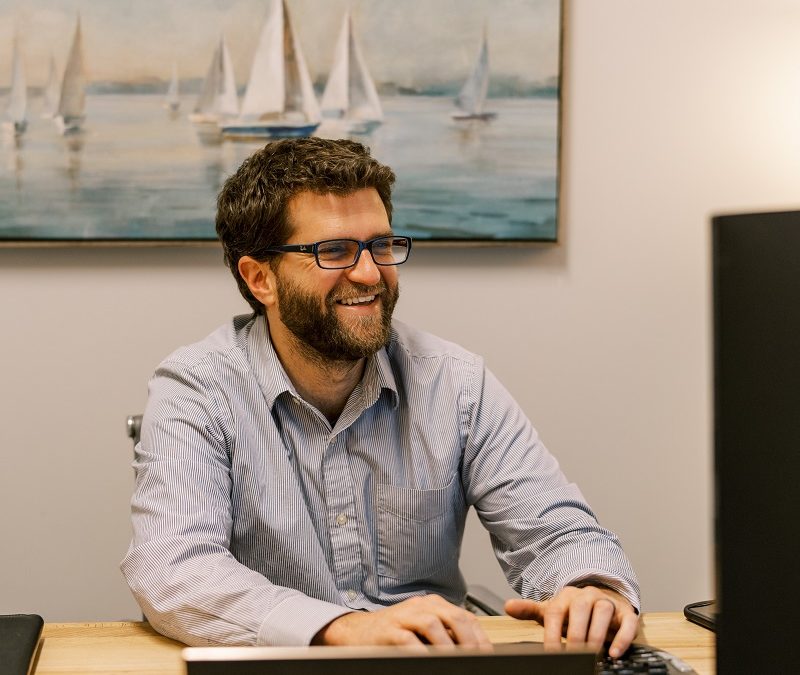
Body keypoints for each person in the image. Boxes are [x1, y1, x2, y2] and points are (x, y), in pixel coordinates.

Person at [121, 138, 640, 656]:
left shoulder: (455, 383)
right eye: (335, 251)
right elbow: (173, 567)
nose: (370, 274)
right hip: (276, 669)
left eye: (381, 246)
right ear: (261, 279)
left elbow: (558, 533)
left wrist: (591, 588)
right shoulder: (197, 388)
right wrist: (342, 628)